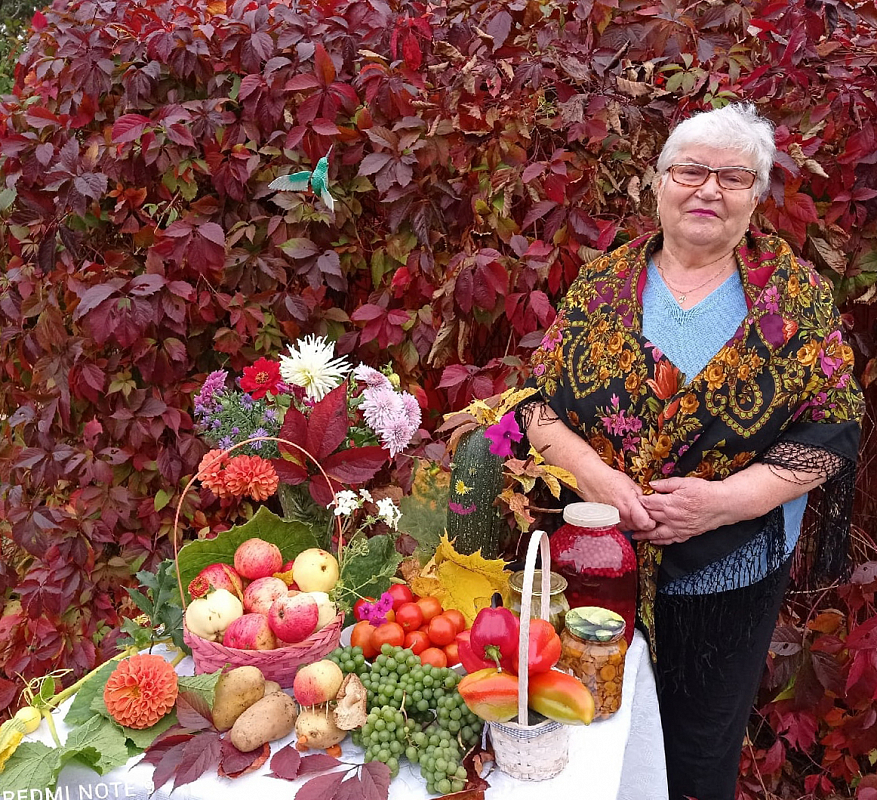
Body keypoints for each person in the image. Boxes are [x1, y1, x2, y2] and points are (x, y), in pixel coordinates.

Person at [520, 103, 863, 800]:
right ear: (657, 183)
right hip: (594, 568)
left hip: (726, 578)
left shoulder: (793, 299)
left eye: (733, 177)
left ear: (755, 197)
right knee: (586, 731)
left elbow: (834, 426)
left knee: (697, 755)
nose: (708, 189)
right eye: (690, 170)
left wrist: (722, 503)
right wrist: (592, 475)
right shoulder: (600, 287)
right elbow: (534, 404)